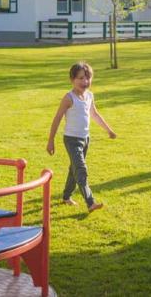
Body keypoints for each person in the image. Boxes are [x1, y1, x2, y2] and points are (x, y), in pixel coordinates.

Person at [47, 62, 116, 213]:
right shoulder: (69, 98)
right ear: (72, 79)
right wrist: (51, 140)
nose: (85, 82)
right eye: (81, 78)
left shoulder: (89, 96)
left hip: (85, 139)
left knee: (74, 169)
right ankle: (90, 202)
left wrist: (109, 130)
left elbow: (95, 115)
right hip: (71, 139)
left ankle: (66, 196)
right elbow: (57, 118)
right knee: (81, 169)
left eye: (88, 78)